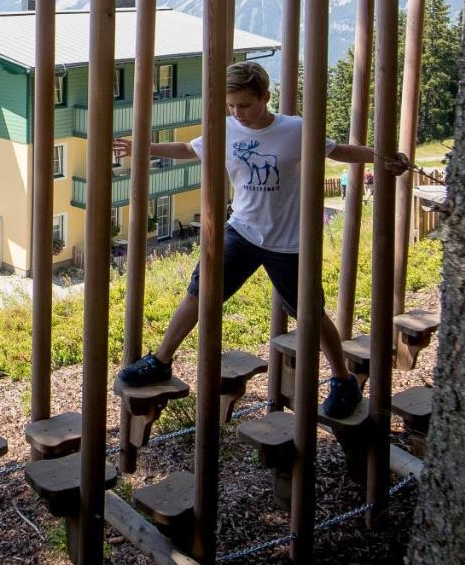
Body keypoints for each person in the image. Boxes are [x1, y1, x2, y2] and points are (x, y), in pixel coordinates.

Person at [114, 61, 409, 419]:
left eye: (245, 105)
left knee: (310, 315)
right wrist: (142, 148)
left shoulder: (295, 130)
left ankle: (343, 379)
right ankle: (161, 361)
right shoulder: (225, 129)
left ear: (265, 98)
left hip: (288, 242)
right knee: (199, 290)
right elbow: (190, 150)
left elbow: (339, 151)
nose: (238, 113)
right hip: (242, 231)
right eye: (231, 105)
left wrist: (383, 159)